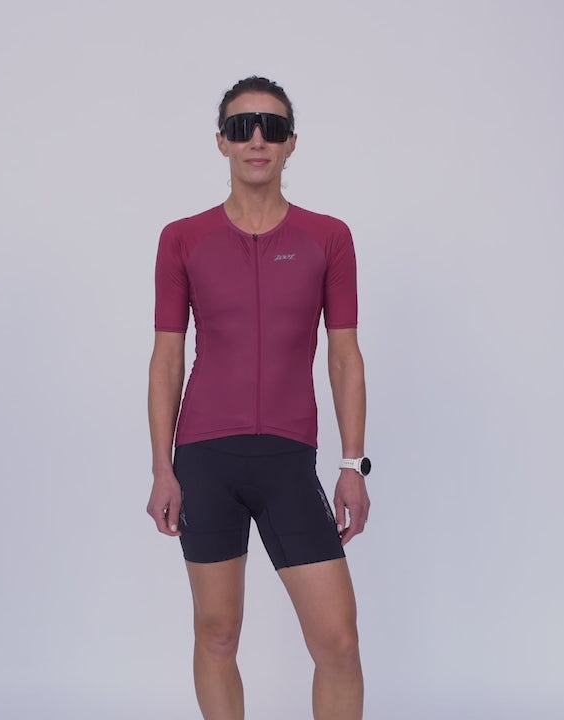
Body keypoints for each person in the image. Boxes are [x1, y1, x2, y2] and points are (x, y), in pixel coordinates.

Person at [147, 76, 371, 720]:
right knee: (217, 633)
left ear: (291, 143)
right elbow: (167, 359)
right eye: (241, 126)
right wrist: (162, 467)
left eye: (271, 128)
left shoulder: (328, 237)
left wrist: (352, 465)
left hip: (287, 460)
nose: (256, 140)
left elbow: (344, 355)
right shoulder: (182, 238)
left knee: (339, 643)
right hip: (205, 460)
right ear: (221, 141)